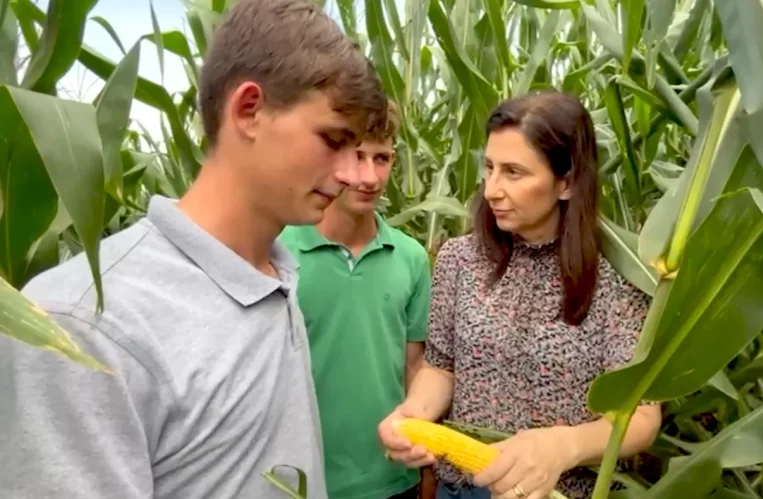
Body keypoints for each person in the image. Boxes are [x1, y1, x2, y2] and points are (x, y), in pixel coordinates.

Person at [0, 1, 386, 498]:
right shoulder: (83, 325)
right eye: (333, 141)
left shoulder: (275, 272)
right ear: (249, 110)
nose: (353, 175)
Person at [376, 90, 663, 499]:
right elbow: (441, 368)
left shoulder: (620, 277)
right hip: (460, 490)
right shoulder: (458, 259)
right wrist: (412, 416)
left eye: (513, 172)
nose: (491, 189)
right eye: (489, 168)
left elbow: (642, 417)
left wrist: (562, 447)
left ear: (565, 183)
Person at [278, 100, 431, 499]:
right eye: (357, 156)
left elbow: (414, 367)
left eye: (382, 159)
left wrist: (426, 465)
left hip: (392, 481)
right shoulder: (276, 252)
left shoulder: (411, 257)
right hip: (300, 481)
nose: (369, 177)